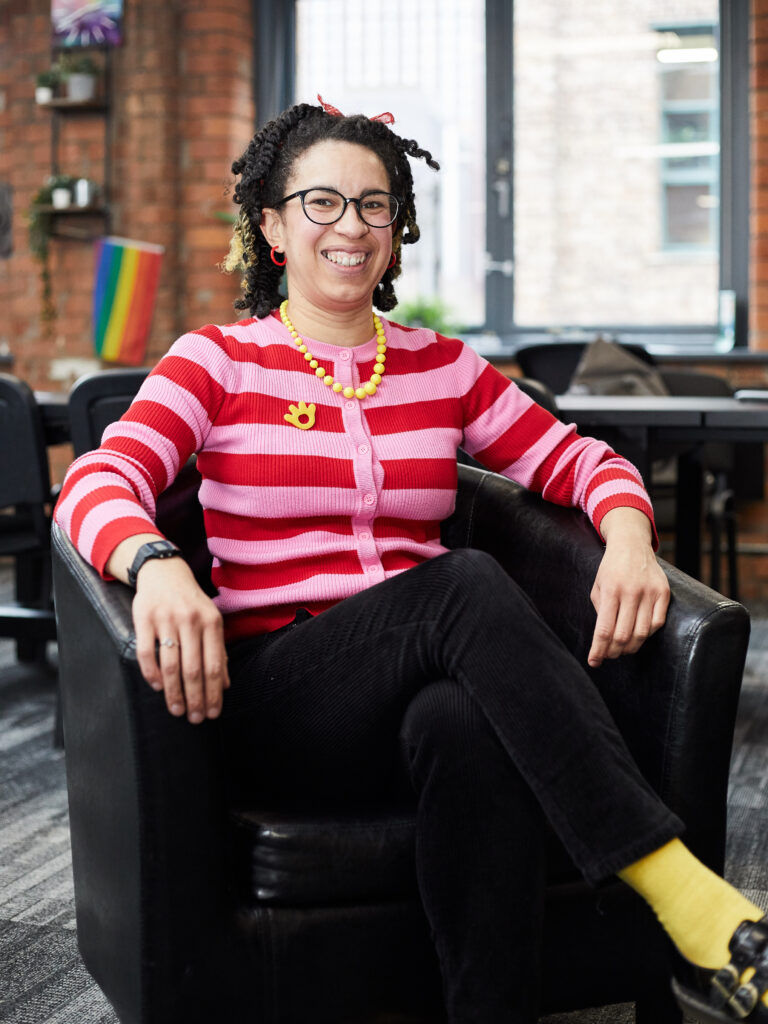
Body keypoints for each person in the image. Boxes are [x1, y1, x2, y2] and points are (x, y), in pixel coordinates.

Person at [54, 97, 767, 1024]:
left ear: (398, 231)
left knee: (462, 721)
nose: (350, 225)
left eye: (375, 204)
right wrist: (154, 562)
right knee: (463, 585)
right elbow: (97, 480)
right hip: (282, 695)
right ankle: (684, 898)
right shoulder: (217, 362)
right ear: (272, 226)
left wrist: (630, 534)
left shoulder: (441, 369)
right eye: (321, 202)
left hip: (419, 692)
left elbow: (580, 459)